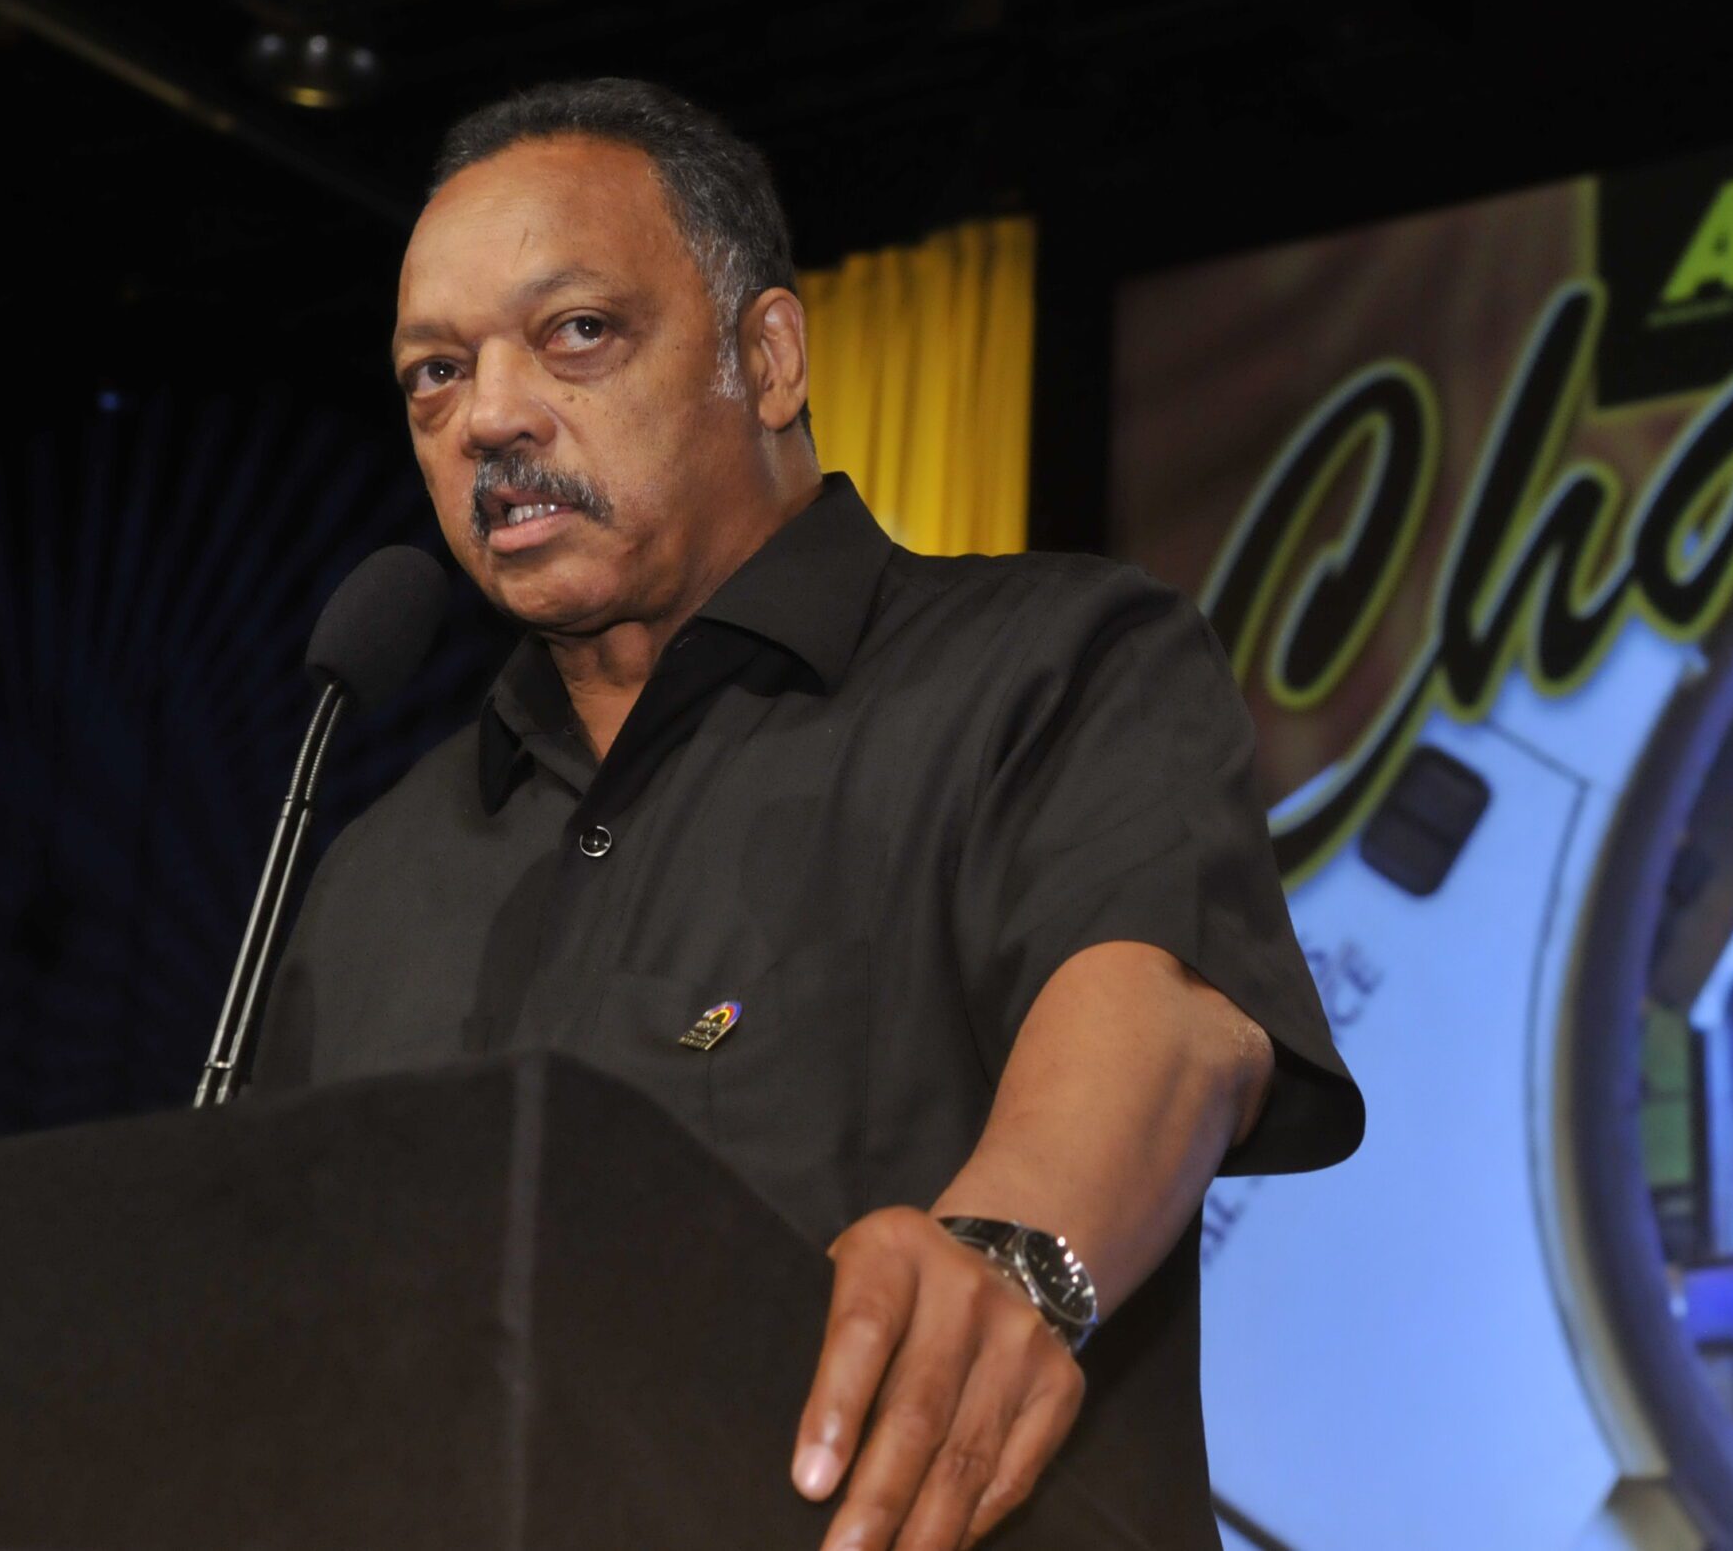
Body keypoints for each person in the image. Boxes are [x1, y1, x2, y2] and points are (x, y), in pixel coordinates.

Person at [253, 78, 1362, 1551]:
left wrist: (1013, 1258)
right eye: (435, 374)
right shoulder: (377, 870)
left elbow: (1162, 1015)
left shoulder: (1046, 664)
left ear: (765, 356)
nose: (493, 417)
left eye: (576, 332)